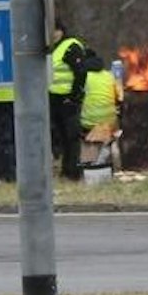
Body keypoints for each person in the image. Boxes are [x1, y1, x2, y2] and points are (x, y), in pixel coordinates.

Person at [48, 21, 89, 181]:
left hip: (68, 100)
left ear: (61, 31)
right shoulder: (52, 48)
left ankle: (72, 172)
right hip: (54, 99)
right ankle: (66, 170)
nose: (53, 34)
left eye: (55, 31)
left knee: (71, 138)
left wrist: (74, 97)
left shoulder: (70, 46)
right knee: (62, 138)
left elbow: (80, 73)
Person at [78, 49, 122, 170]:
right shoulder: (109, 76)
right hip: (109, 121)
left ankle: (88, 164)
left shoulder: (83, 76)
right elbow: (119, 98)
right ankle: (110, 161)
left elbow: (77, 98)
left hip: (88, 122)